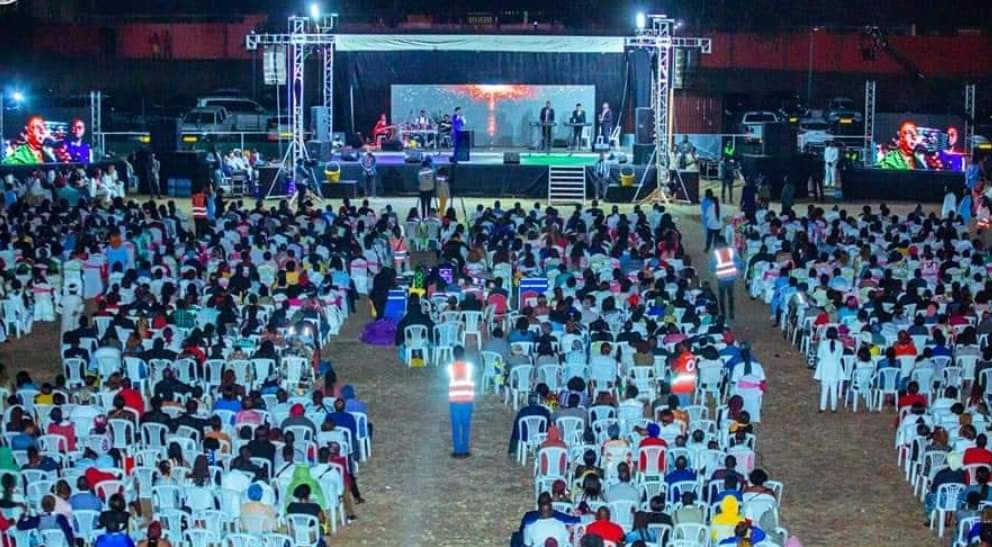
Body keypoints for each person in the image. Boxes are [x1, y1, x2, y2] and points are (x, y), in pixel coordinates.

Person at [448, 345, 474, 458]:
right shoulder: (469, 367)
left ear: (453, 355)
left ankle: (457, 450)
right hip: (467, 398)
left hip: (454, 399)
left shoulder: (450, 368)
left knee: (456, 426)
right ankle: (465, 448)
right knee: (466, 425)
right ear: (464, 355)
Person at [710, 236, 742, 321]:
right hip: (731, 276)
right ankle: (731, 312)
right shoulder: (732, 251)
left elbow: (712, 267)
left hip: (721, 278)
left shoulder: (716, 254)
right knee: (731, 295)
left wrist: (716, 270)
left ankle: (723, 314)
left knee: (721, 296)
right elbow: (739, 262)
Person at [814, 326, 844, 412]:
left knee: (824, 388)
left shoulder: (823, 343)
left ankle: (822, 407)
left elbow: (819, 355)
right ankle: (833, 408)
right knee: (834, 388)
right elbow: (840, 356)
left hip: (825, 368)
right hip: (835, 368)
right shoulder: (840, 344)